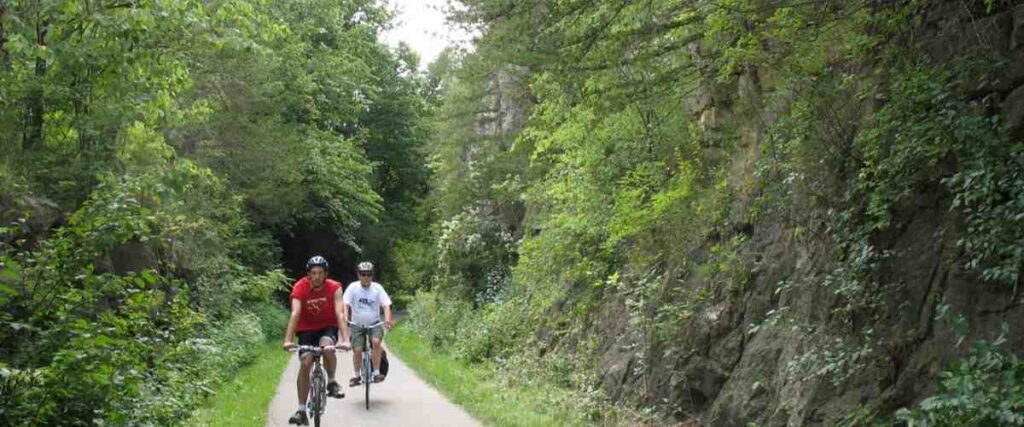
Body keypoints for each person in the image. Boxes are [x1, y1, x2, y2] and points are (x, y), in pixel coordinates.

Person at [282, 255, 350, 425]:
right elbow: (295, 313)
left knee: (327, 348)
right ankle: (301, 410)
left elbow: (340, 313)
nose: (317, 276)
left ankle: (332, 382)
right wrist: (288, 340)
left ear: (326, 274)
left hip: (328, 327)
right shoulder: (300, 287)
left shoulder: (335, 287)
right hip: (306, 329)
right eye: (313, 273)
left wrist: (346, 339)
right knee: (305, 362)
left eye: (320, 273)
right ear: (308, 274)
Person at [344, 261, 393, 385]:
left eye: (368, 274)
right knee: (358, 349)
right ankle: (356, 376)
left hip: (374, 323)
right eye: (363, 274)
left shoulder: (377, 288)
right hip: (357, 324)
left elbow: (386, 305)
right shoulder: (353, 287)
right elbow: (346, 304)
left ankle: (376, 372)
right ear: (358, 275)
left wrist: (388, 320)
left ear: (372, 275)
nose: (366, 277)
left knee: (376, 342)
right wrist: (345, 318)